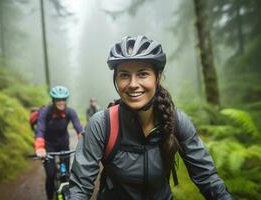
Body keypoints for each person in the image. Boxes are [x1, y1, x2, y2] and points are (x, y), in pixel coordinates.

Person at [69, 35, 233, 199]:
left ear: (158, 77)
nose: (133, 84)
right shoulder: (103, 124)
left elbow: (208, 178)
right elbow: (80, 189)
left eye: (142, 74)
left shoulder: (177, 121)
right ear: (116, 80)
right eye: (124, 75)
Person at [34, 85, 83, 200]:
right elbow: (40, 129)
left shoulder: (70, 112)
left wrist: (85, 143)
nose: (61, 102)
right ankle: (50, 197)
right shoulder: (46, 111)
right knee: (50, 175)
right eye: (58, 100)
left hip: (63, 144)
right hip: (48, 146)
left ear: (66, 100)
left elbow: (79, 129)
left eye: (63, 99)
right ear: (53, 100)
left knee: (66, 174)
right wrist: (40, 148)